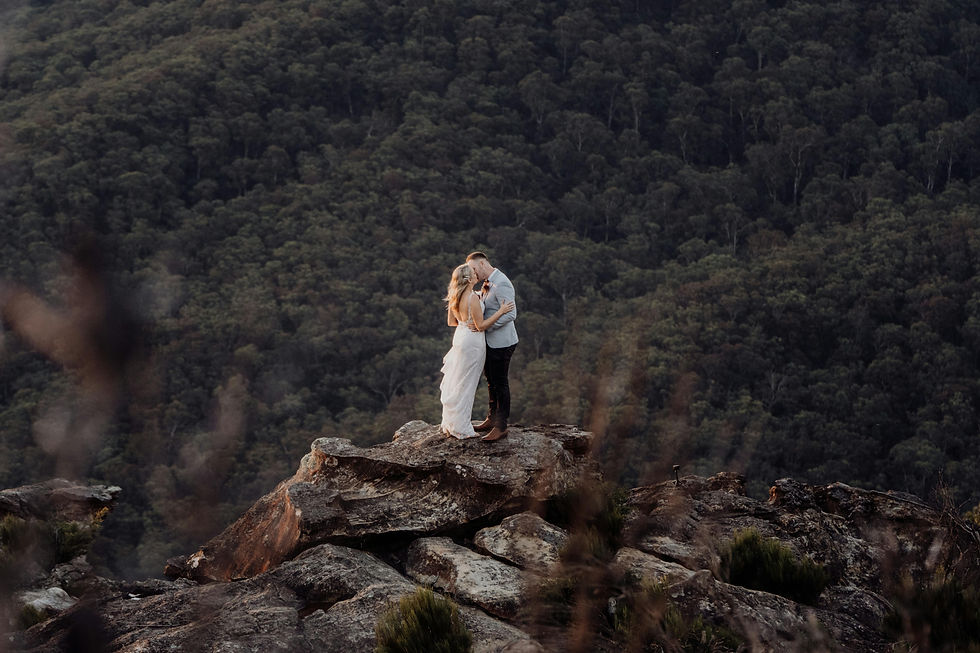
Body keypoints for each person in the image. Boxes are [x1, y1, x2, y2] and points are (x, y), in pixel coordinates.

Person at [440, 263, 515, 439]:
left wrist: (465, 322)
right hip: (473, 342)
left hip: (460, 338)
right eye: (473, 272)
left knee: (458, 380)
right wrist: (501, 311)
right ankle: (462, 426)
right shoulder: (472, 298)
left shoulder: (455, 296)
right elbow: (481, 326)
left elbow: (452, 322)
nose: (476, 274)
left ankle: (453, 422)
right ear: (469, 279)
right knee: (468, 383)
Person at [464, 252, 518, 442]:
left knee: (500, 383)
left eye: (473, 269)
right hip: (489, 342)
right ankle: (491, 418)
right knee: (491, 381)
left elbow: (511, 314)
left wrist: (485, 326)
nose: (473, 273)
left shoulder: (502, 283)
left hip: (502, 342)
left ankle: (501, 426)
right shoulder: (487, 283)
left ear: (482, 263)